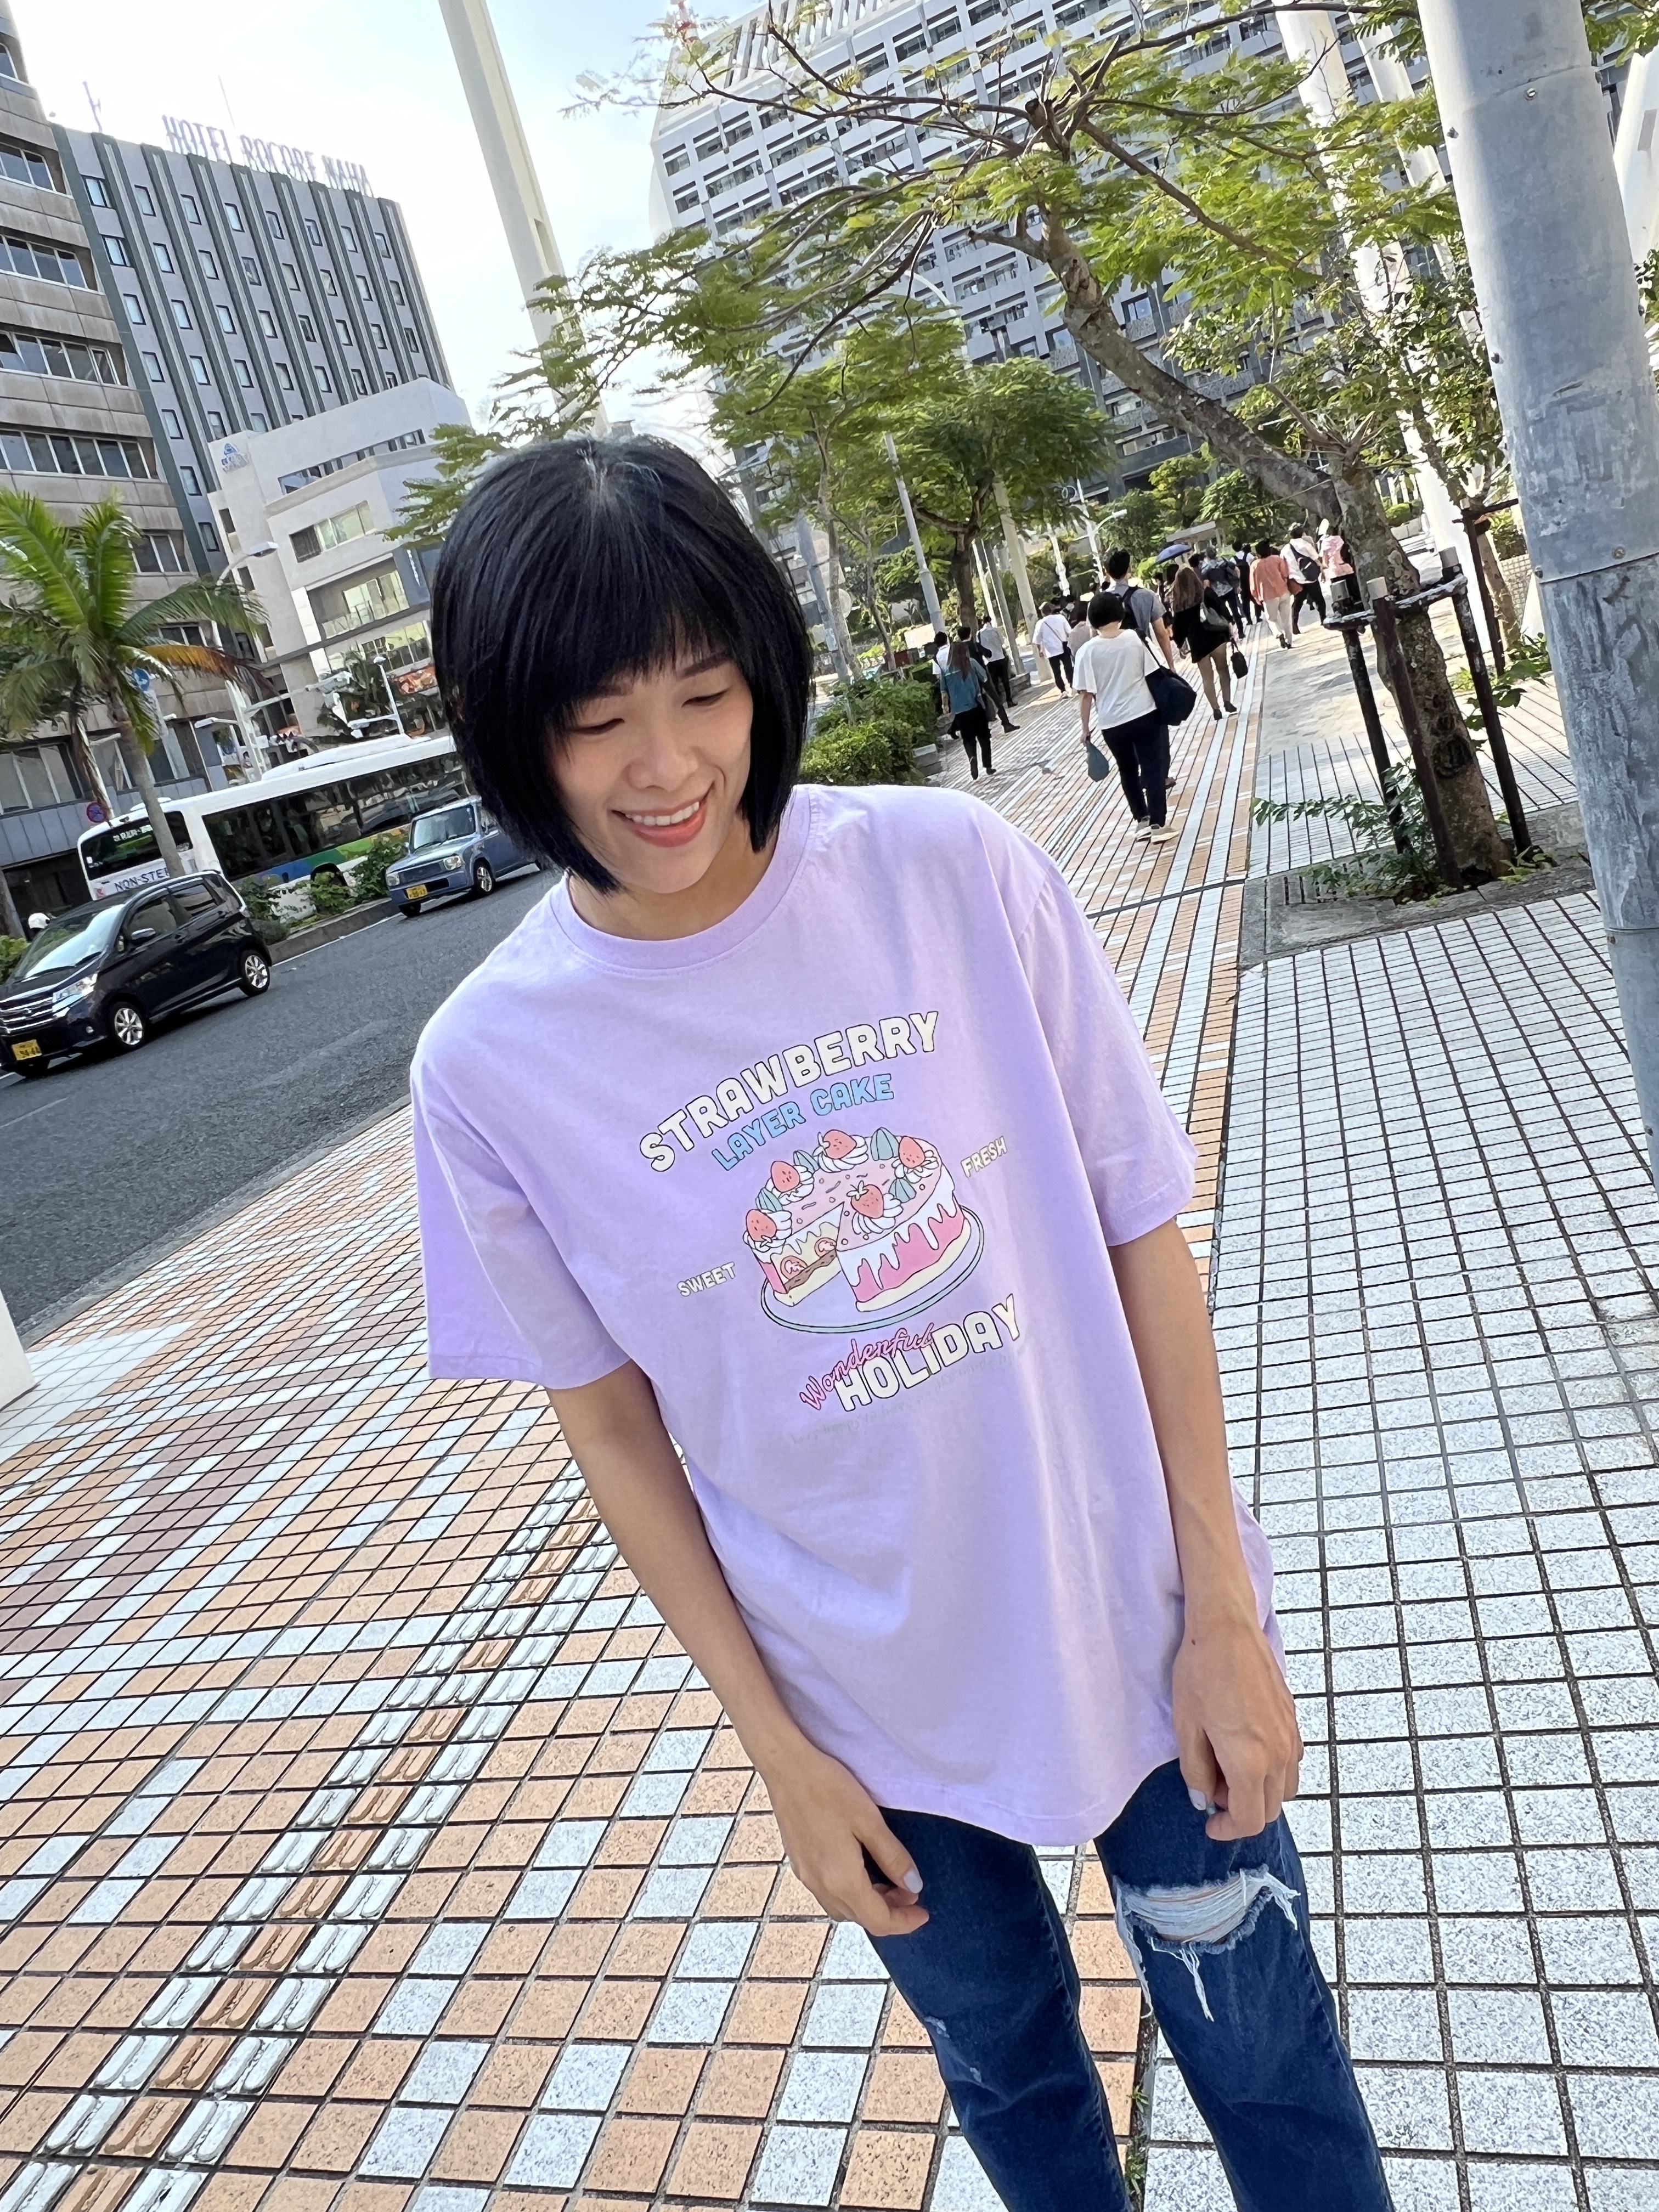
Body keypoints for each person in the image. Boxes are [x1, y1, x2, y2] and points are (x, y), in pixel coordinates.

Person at [411, 436, 1389, 2212]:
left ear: (764, 671)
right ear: (506, 735)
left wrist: (1225, 1609)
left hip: (1134, 1616)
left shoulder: (947, 870)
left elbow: (1140, 1231)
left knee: (1271, 2067)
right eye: (595, 721)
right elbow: (609, 1425)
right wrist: (776, 1751)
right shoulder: (488, 1065)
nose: (665, 767)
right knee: (1011, 2078)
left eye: (706, 693)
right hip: (858, 1704)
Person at [1074, 589, 1176, 844]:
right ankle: (1158, 824)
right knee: (1152, 767)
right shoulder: (1134, 639)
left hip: (1111, 723)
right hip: (1144, 714)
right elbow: (1152, 673)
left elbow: (1085, 695)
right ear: (1120, 615)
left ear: (1092, 621)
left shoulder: (1086, 652)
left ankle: (1141, 820)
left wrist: (1085, 729)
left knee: (1127, 770)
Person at [1168, 554, 1238, 715]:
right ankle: (1227, 701)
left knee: (1207, 678)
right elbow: (1223, 610)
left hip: (1198, 644)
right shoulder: (1207, 593)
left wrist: (1180, 645)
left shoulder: (1179, 605)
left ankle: (1216, 709)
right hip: (1217, 637)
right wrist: (1231, 623)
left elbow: (1178, 630)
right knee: (1223, 670)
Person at [1104, 547, 1176, 668]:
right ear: (1129, 569)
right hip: (1146, 661)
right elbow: (1161, 634)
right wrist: (1171, 666)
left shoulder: (1098, 603)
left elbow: (1095, 638)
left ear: (1106, 571)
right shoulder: (1147, 595)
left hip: (1118, 667)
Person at [941, 637, 996, 778]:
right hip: (975, 705)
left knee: (968, 738)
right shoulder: (971, 663)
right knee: (984, 736)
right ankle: (988, 766)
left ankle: (972, 758)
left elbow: (944, 692)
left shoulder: (946, 670)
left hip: (960, 711)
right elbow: (984, 677)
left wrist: (945, 706)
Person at [961, 623, 1016, 733]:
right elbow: (989, 654)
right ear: (970, 635)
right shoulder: (975, 646)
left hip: (969, 679)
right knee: (995, 699)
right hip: (982, 676)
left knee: (975, 703)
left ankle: (982, 729)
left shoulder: (958, 650)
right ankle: (1006, 724)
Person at [1250, 539, 1297, 648]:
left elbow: (1253, 585)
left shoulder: (1255, 565)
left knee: (1272, 619)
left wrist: (1257, 597)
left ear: (1258, 553)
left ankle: (1278, 633)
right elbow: (1285, 574)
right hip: (1283, 591)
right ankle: (1289, 641)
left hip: (1268, 596)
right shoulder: (1277, 559)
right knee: (1287, 618)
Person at [1283, 529, 1326, 631]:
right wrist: (1322, 569)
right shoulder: (1305, 545)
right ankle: (1324, 619)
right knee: (1319, 600)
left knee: (1297, 603)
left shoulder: (1285, 549)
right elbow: (1316, 558)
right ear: (1302, 534)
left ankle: (1294, 625)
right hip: (1311, 578)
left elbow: (1284, 564)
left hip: (1296, 580)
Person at [976, 612, 1017, 713]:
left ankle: (999, 703)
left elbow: (979, 646)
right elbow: (1002, 643)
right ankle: (1009, 700)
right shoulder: (996, 630)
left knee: (995, 683)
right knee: (1005, 680)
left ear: (982, 622)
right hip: (1000, 658)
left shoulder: (979, 634)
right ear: (990, 620)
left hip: (990, 661)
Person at [1033, 601, 1073, 691]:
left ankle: (1063, 690)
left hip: (1051, 651)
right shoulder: (1061, 618)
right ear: (1052, 610)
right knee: (1068, 668)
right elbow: (1069, 632)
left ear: (1043, 612)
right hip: (1064, 647)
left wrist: (1040, 651)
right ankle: (1072, 684)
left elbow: (1037, 640)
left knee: (1057, 672)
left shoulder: (1040, 624)